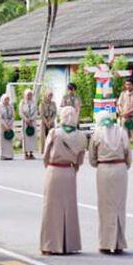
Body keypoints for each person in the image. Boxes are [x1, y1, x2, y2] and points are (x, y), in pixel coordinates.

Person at [40, 105, 87, 255]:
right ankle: (69, 243)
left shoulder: (54, 133)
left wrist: (48, 166)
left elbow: (46, 154)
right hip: (69, 171)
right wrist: (74, 169)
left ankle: (51, 244)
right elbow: (80, 159)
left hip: (54, 169)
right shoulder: (81, 136)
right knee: (69, 208)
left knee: (52, 208)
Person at [89, 110, 131, 255]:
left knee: (105, 206)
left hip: (104, 170)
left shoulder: (97, 134)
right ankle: (119, 243)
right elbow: (128, 154)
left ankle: (106, 243)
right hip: (120, 169)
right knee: (119, 206)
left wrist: (99, 164)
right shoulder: (121, 132)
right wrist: (124, 165)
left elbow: (92, 158)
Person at [19, 89, 38, 160]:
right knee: (26, 137)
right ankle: (26, 153)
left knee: (32, 137)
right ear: (25, 95)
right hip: (25, 122)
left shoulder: (34, 102)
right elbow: (20, 112)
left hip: (32, 122)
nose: (29, 96)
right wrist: (26, 119)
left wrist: (31, 119)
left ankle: (31, 153)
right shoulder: (22, 102)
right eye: (28, 95)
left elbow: (36, 112)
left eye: (30, 94)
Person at [0, 94, 15, 161]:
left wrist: (9, 124)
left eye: (8, 99)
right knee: (3, 140)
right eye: (5, 99)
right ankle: (3, 155)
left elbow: (13, 116)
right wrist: (5, 125)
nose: (7, 101)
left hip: (9, 124)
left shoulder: (10, 106)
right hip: (2, 125)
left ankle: (9, 155)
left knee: (9, 139)